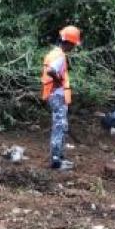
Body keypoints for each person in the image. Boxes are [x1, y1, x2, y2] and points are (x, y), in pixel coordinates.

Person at [41, 25, 81, 171]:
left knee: (61, 125)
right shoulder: (60, 56)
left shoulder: (54, 53)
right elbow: (51, 71)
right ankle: (56, 160)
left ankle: (58, 157)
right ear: (69, 42)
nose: (74, 48)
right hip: (57, 95)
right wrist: (58, 80)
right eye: (74, 45)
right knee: (59, 126)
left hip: (54, 94)